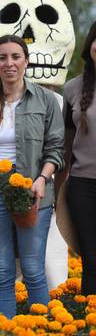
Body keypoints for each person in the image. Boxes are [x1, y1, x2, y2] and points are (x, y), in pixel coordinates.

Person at [0, 35, 64, 318]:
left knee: (34, 267)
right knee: (1, 269)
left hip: (33, 186)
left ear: (25, 61)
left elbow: (56, 148)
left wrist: (42, 178)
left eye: (15, 57)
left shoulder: (46, 100)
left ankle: (41, 331)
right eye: (2, 58)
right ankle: (6, 332)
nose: (9, 63)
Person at [61, 21, 96, 295]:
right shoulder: (72, 89)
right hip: (83, 186)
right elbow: (65, 144)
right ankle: (89, 322)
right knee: (91, 260)